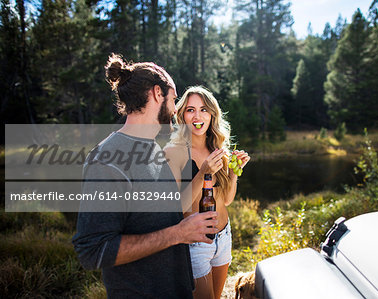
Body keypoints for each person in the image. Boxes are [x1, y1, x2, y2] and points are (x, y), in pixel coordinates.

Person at [72, 54, 218, 298]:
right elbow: (92, 250)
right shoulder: (107, 159)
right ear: (157, 93)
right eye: (173, 99)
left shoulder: (153, 149)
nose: (175, 110)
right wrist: (178, 233)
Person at [165, 86, 250, 299]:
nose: (197, 116)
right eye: (190, 110)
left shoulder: (218, 150)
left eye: (203, 109)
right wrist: (203, 172)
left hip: (224, 237)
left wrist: (233, 172)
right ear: (182, 114)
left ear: (212, 114)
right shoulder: (173, 153)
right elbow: (179, 206)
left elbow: (227, 200)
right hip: (196, 243)